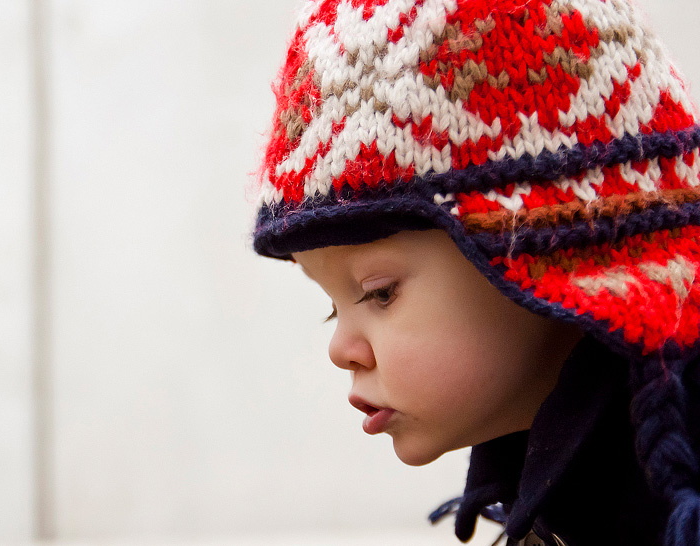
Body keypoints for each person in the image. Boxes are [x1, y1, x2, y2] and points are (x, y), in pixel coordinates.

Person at [249, 0, 700, 544]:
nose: (341, 349)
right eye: (331, 305)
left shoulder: (669, 506)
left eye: (379, 293)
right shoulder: (571, 491)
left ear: (552, 257)